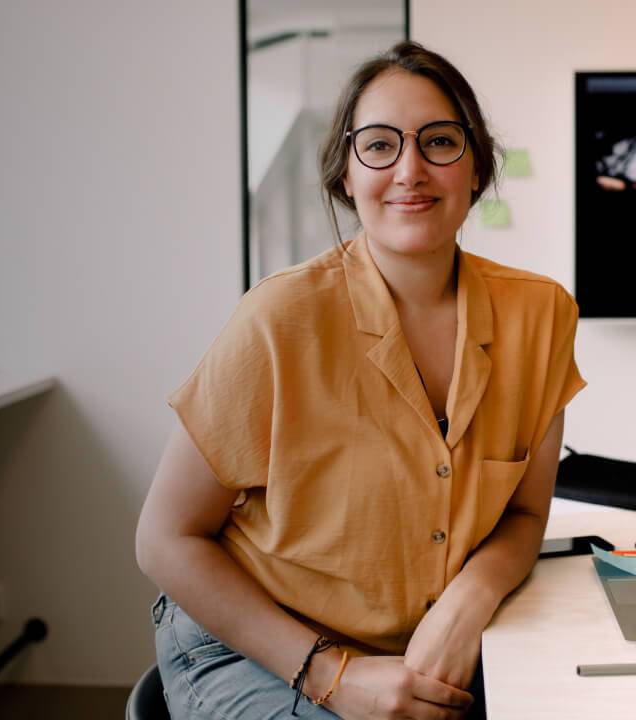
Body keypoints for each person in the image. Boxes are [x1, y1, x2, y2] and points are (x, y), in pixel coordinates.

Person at [136, 41, 586, 720]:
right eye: (379, 145)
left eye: (439, 141)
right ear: (346, 175)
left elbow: (523, 517)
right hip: (255, 643)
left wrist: (470, 597)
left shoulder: (542, 314)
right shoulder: (279, 318)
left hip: (417, 649)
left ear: (477, 166)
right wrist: (330, 675)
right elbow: (164, 539)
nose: (410, 170)